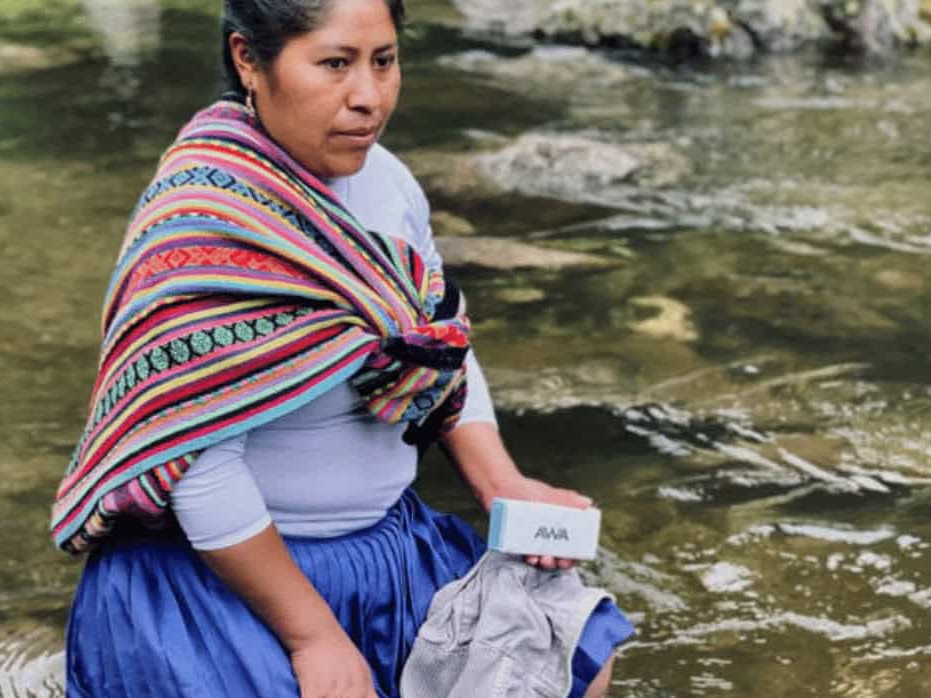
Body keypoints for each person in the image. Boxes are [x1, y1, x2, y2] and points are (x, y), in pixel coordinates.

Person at [49, 1, 634, 696]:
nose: (368, 96)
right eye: (334, 64)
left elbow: (440, 341)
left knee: (578, 658)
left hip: (388, 552)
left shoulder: (389, 187)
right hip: (217, 576)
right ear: (248, 60)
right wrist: (313, 636)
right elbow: (197, 461)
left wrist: (502, 484)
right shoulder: (201, 223)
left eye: (383, 62)